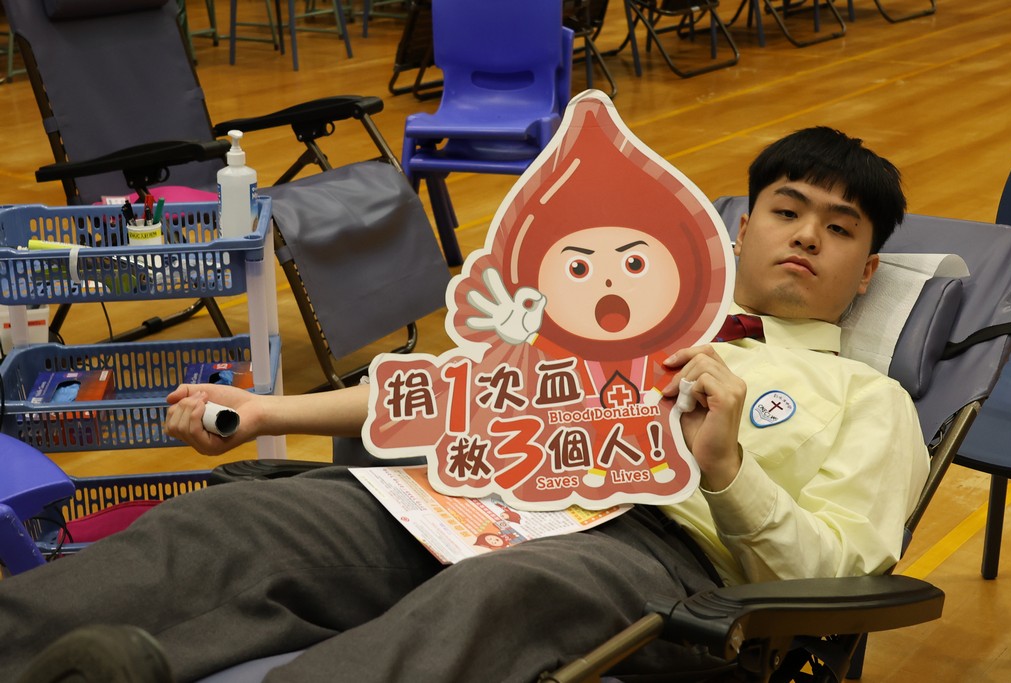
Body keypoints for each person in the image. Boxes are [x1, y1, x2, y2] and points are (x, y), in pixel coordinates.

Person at [1, 127, 929, 683]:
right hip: (482, 488)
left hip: (653, 548)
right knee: (239, 521)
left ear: (868, 273)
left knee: (494, 599)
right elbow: (450, 392)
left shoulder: (870, 399)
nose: (808, 235)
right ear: (743, 225)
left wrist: (726, 469)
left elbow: (837, 575)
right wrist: (268, 411)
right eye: (788, 209)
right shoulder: (624, 309)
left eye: (840, 227)